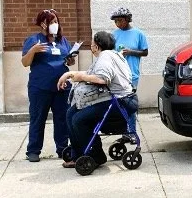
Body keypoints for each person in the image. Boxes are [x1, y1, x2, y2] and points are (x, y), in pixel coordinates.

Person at [59, 31, 137, 169]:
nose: (91, 47)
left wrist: (80, 77)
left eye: (92, 44)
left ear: (96, 46)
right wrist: (70, 74)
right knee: (71, 113)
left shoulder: (105, 56)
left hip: (119, 102)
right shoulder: (113, 55)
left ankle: (96, 155)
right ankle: (77, 154)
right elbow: (92, 74)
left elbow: (102, 78)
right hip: (121, 100)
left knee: (78, 119)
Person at [20, 9, 75, 162]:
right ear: (43, 24)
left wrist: (71, 60)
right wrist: (33, 50)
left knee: (62, 118)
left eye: (56, 21)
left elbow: (68, 61)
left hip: (61, 87)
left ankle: (62, 149)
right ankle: (33, 150)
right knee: (38, 118)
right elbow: (25, 63)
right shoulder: (34, 40)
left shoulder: (63, 41)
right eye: (51, 22)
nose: (55, 24)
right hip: (40, 87)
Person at [110, 7, 147, 141]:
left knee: (130, 104)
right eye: (115, 21)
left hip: (132, 74)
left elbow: (145, 52)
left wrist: (131, 52)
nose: (117, 23)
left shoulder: (138, 34)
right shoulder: (114, 35)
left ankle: (132, 133)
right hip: (117, 74)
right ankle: (124, 132)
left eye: (120, 20)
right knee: (119, 104)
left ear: (127, 19)